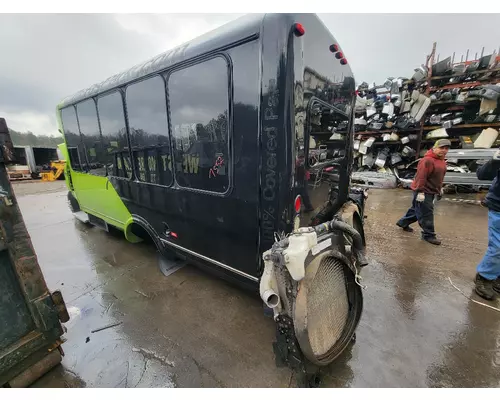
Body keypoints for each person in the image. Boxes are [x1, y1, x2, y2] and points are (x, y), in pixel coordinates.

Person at [396, 139, 450, 245]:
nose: (444, 150)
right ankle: (428, 235)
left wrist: (440, 189)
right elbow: (421, 177)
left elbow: (439, 177)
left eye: (446, 148)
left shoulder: (441, 160)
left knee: (416, 209)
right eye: (441, 148)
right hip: (423, 191)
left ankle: (403, 222)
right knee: (426, 214)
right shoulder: (427, 160)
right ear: (434, 148)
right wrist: (420, 192)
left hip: (431, 190)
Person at [474, 150, 500, 301]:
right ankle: (485, 276)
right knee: (498, 247)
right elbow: (482, 175)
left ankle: (496, 276)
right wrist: (495, 161)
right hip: (499, 206)